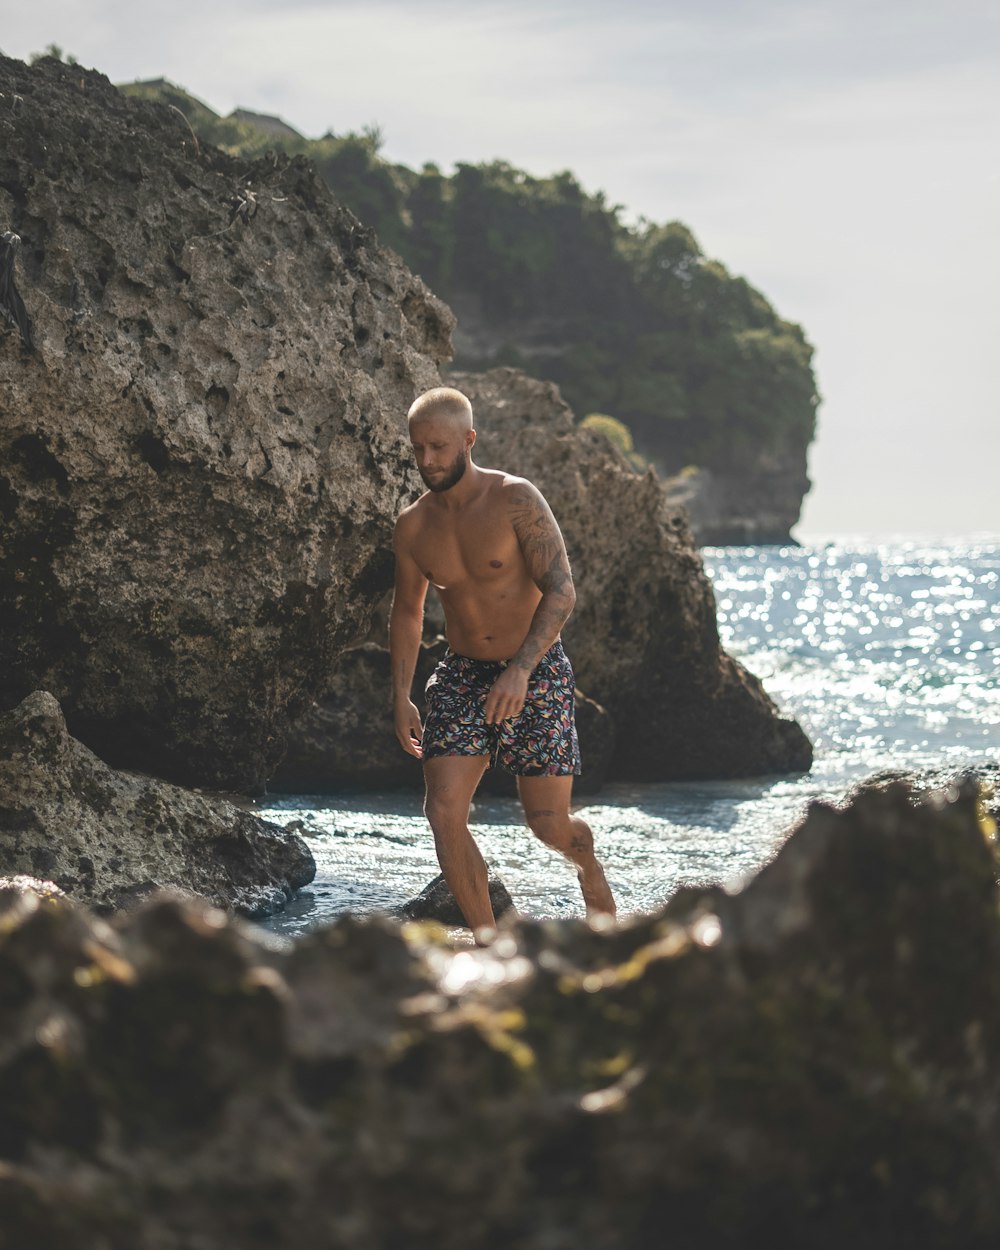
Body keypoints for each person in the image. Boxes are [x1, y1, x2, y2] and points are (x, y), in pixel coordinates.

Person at [389, 386, 616, 938]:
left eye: (439, 447)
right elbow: (408, 613)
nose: (427, 461)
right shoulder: (414, 527)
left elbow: (561, 591)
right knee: (443, 812)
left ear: (469, 440)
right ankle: (491, 945)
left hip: (534, 670)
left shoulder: (517, 500)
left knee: (547, 825)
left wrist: (521, 669)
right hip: (463, 674)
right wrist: (400, 696)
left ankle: (588, 869)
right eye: (418, 449)